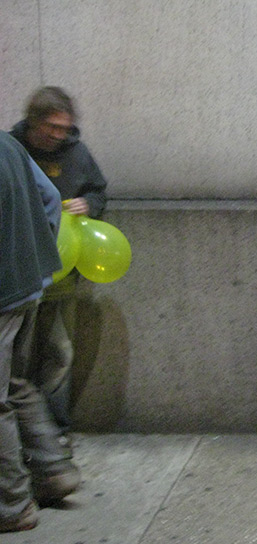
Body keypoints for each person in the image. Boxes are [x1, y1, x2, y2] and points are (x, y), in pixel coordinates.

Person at [10, 86, 108, 434]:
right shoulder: (13, 151)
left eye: (64, 128)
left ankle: (54, 430)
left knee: (59, 352)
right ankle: (21, 434)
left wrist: (90, 205)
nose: (57, 134)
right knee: (15, 362)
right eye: (51, 126)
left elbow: (98, 190)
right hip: (18, 277)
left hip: (61, 275)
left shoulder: (77, 153)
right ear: (33, 121)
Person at [1, 132, 82, 533]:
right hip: (29, 283)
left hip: (2, 293)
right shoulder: (8, 144)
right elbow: (49, 198)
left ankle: (12, 505)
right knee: (14, 382)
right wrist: (35, 254)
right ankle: (52, 469)